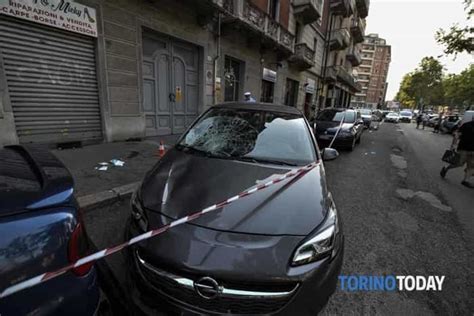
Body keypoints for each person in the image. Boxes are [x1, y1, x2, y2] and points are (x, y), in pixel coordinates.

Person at [440, 115, 474, 188]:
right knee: (459, 163)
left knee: (471, 166)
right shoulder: (466, 125)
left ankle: (465, 180)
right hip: (463, 148)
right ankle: (446, 168)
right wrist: (454, 145)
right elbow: (457, 134)